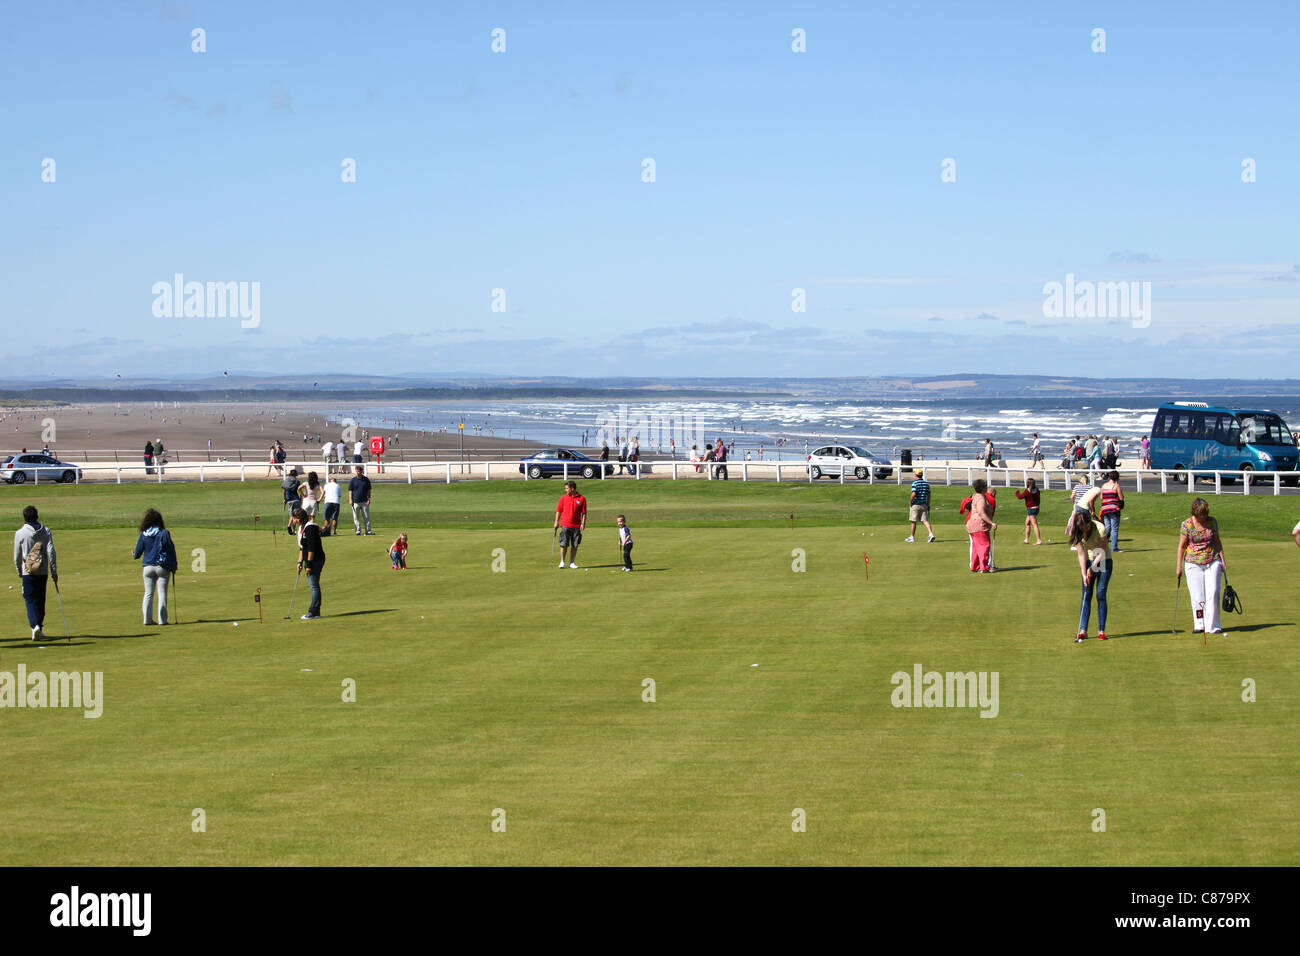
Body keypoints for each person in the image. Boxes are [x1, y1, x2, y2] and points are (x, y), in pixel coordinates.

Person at [1177, 498, 1227, 636]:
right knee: (1198, 596)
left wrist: (1223, 560)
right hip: (1192, 563)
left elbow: (1217, 541)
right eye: (1201, 515)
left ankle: (1214, 625)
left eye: (1205, 514)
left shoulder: (1212, 522)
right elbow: (1181, 546)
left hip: (1212, 560)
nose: (1203, 517)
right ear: (1195, 513)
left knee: (1214, 593)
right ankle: (1200, 624)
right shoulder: (1186, 524)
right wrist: (1178, 567)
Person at [13, 505, 57, 640]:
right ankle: (39, 627)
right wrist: (53, 570)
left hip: (28, 571)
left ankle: (35, 626)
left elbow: (17, 555)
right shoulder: (46, 531)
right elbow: (51, 551)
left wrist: (19, 570)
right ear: (37, 516)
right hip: (42, 571)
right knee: (40, 599)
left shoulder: (20, 533)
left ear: (24, 518)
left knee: (30, 599)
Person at [1068, 507, 1112, 642]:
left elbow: (1103, 550)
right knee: (1087, 594)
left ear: (1090, 523)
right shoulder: (1077, 530)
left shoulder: (1100, 528)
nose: (1084, 530)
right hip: (1088, 560)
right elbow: (1081, 554)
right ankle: (1083, 631)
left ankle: (1101, 631)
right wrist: (1084, 573)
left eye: (1086, 528)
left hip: (1103, 559)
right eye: (1081, 528)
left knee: (1100, 594)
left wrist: (1092, 569)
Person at [131, 508, 178, 625]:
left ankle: (147, 619)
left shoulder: (144, 534)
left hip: (147, 567)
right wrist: (174, 566)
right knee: (162, 594)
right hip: (162, 567)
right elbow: (171, 550)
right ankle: (163, 620)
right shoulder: (164, 533)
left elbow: (137, 554)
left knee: (148, 593)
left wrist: (133, 555)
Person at [291, 507, 325, 619]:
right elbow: (302, 548)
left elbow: (311, 549)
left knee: (314, 585)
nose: (293, 521)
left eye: (295, 518)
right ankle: (316, 611)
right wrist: (299, 562)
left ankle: (314, 611)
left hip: (316, 559)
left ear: (299, 518)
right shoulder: (302, 529)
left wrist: (309, 564)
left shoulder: (310, 528)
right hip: (310, 559)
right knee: (314, 585)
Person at [963, 479, 997, 572]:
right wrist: (991, 523)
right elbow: (981, 513)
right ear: (982, 488)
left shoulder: (976, 496)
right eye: (985, 486)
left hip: (972, 524)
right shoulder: (981, 498)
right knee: (984, 546)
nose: (987, 487)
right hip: (979, 525)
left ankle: (975, 566)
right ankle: (984, 567)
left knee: (976, 547)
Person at [553, 480, 587, 569]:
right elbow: (559, 511)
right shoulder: (563, 498)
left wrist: (583, 524)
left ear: (572, 489)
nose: (565, 490)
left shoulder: (581, 499)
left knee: (575, 544)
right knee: (564, 544)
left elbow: (583, 513)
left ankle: (572, 562)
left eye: (567, 488)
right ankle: (562, 562)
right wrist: (556, 522)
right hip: (565, 524)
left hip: (576, 525)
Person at [905, 468, 935, 543]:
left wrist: (910, 502)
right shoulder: (926, 484)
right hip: (924, 504)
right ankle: (931, 534)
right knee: (925, 520)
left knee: (913, 521)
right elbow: (929, 495)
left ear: (916, 475)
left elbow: (913, 494)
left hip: (916, 505)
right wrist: (928, 504)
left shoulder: (915, 483)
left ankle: (912, 537)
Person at [1100, 470, 1125, 552]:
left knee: (1107, 527)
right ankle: (1114, 548)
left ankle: (1103, 545)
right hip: (1114, 509)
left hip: (1104, 508)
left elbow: (1101, 497)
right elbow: (1121, 498)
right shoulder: (1116, 486)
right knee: (1114, 529)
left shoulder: (1103, 486)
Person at [1016, 477, 1043, 545]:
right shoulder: (1037, 490)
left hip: (1031, 509)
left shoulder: (1027, 491)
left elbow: (1020, 497)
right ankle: (1026, 539)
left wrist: (1017, 492)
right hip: (1036, 508)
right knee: (1027, 523)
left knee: (1034, 524)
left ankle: (1039, 540)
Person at [348, 465, 373, 535]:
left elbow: (369, 490)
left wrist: (369, 499)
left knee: (366, 517)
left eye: (359, 471)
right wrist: (350, 499)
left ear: (362, 472)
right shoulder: (353, 480)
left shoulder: (366, 480)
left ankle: (368, 530)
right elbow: (350, 490)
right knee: (356, 517)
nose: (358, 472)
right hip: (355, 502)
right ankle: (358, 530)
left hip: (364, 501)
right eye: (356, 471)